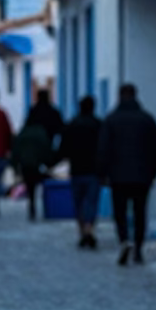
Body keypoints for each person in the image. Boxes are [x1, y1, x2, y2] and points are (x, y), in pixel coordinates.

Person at [98, 83, 156, 265]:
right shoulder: (147, 120)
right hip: (142, 177)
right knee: (140, 212)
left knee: (120, 212)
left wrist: (103, 173)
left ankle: (123, 241)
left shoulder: (111, 120)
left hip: (118, 176)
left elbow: (103, 149)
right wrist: (153, 173)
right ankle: (138, 248)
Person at [58, 95, 102, 249]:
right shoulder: (99, 125)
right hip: (94, 170)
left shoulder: (71, 125)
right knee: (91, 202)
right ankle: (90, 228)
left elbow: (63, 149)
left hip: (76, 169)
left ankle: (82, 231)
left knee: (78, 202)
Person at [12, 118, 53, 220]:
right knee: (36, 185)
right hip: (37, 164)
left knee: (30, 186)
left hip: (25, 164)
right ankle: (37, 206)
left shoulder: (22, 133)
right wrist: (48, 163)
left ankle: (32, 206)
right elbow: (46, 148)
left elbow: (16, 150)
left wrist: (15, 166)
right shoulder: (41, 133)